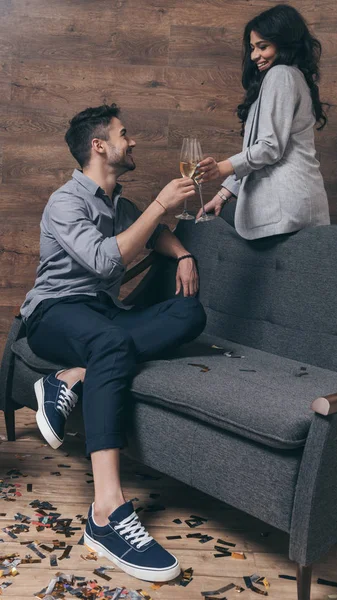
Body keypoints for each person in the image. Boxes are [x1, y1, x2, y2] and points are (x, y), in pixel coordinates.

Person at [20, 104, 207, 582]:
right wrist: (161, 204)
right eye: (126, 134)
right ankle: (105, 512)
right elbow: (106, 263)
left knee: (188, 311)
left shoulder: (116, 202)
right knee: (110, 342)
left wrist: (182, 252)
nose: (135, 141)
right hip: (55, 312)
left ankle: (71, 377)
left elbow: (154, 236)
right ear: (100, 146)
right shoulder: (66, 201)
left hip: (101, 317)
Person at [196, 4, 330, 239]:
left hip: (287, 207)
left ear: (285, 43)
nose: (254, 55)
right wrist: (224, 193)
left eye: (263, 46)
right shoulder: (292, 76)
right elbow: (264, 151)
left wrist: (220, 168)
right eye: (252, 48)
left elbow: (269, 148)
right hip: (297, 203)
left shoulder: (281, 75)